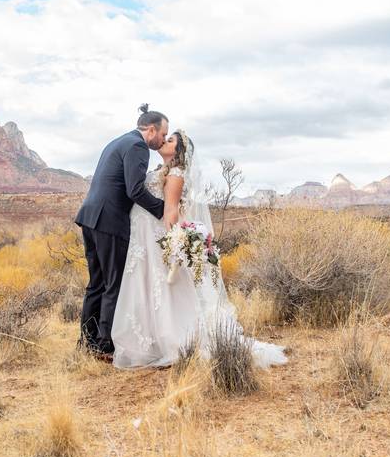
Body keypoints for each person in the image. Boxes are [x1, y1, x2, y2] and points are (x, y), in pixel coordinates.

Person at [110, 130, 288, 369]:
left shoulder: (176, 173)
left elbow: (171, 210)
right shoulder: (163, 171)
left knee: (164, 289)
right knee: (154, 288)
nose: (164, 141)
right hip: (143, 236)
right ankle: (154, 341)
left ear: (180, 151)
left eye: (170, 140)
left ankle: (174, 342)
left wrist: (173, 243)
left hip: (156, 237)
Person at [74, 104, 168, 360]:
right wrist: (164, 209)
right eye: (162, 134)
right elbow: (134, 190)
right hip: (110, 221)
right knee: (113, 284)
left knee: (96, 284)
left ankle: (87, 341)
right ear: (151, 129)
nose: (162, 140)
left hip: (90, 217)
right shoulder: (138, 147)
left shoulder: (118, 141)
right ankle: (105, 346)